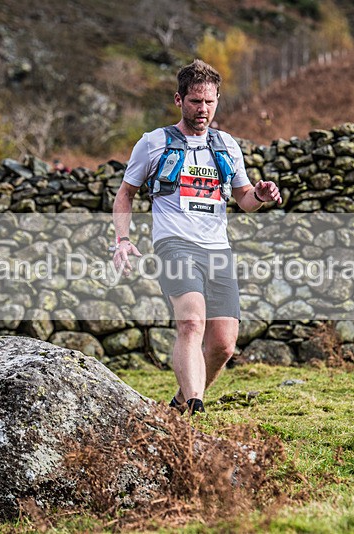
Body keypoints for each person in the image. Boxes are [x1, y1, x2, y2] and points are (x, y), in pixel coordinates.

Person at [112, 59, 282, 415]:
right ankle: (195, 409)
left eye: (209, 102)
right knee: (191, 323)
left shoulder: (226, 145)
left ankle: (176, 405)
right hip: (174, 244)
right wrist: (123, 239)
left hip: (217, 248)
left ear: (217, 99)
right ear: (179, 99)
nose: (202, 109)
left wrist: (261, 196)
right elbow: (125, 193)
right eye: (195, 101)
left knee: (222, 345)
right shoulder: (153, 142)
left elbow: (244, 198)